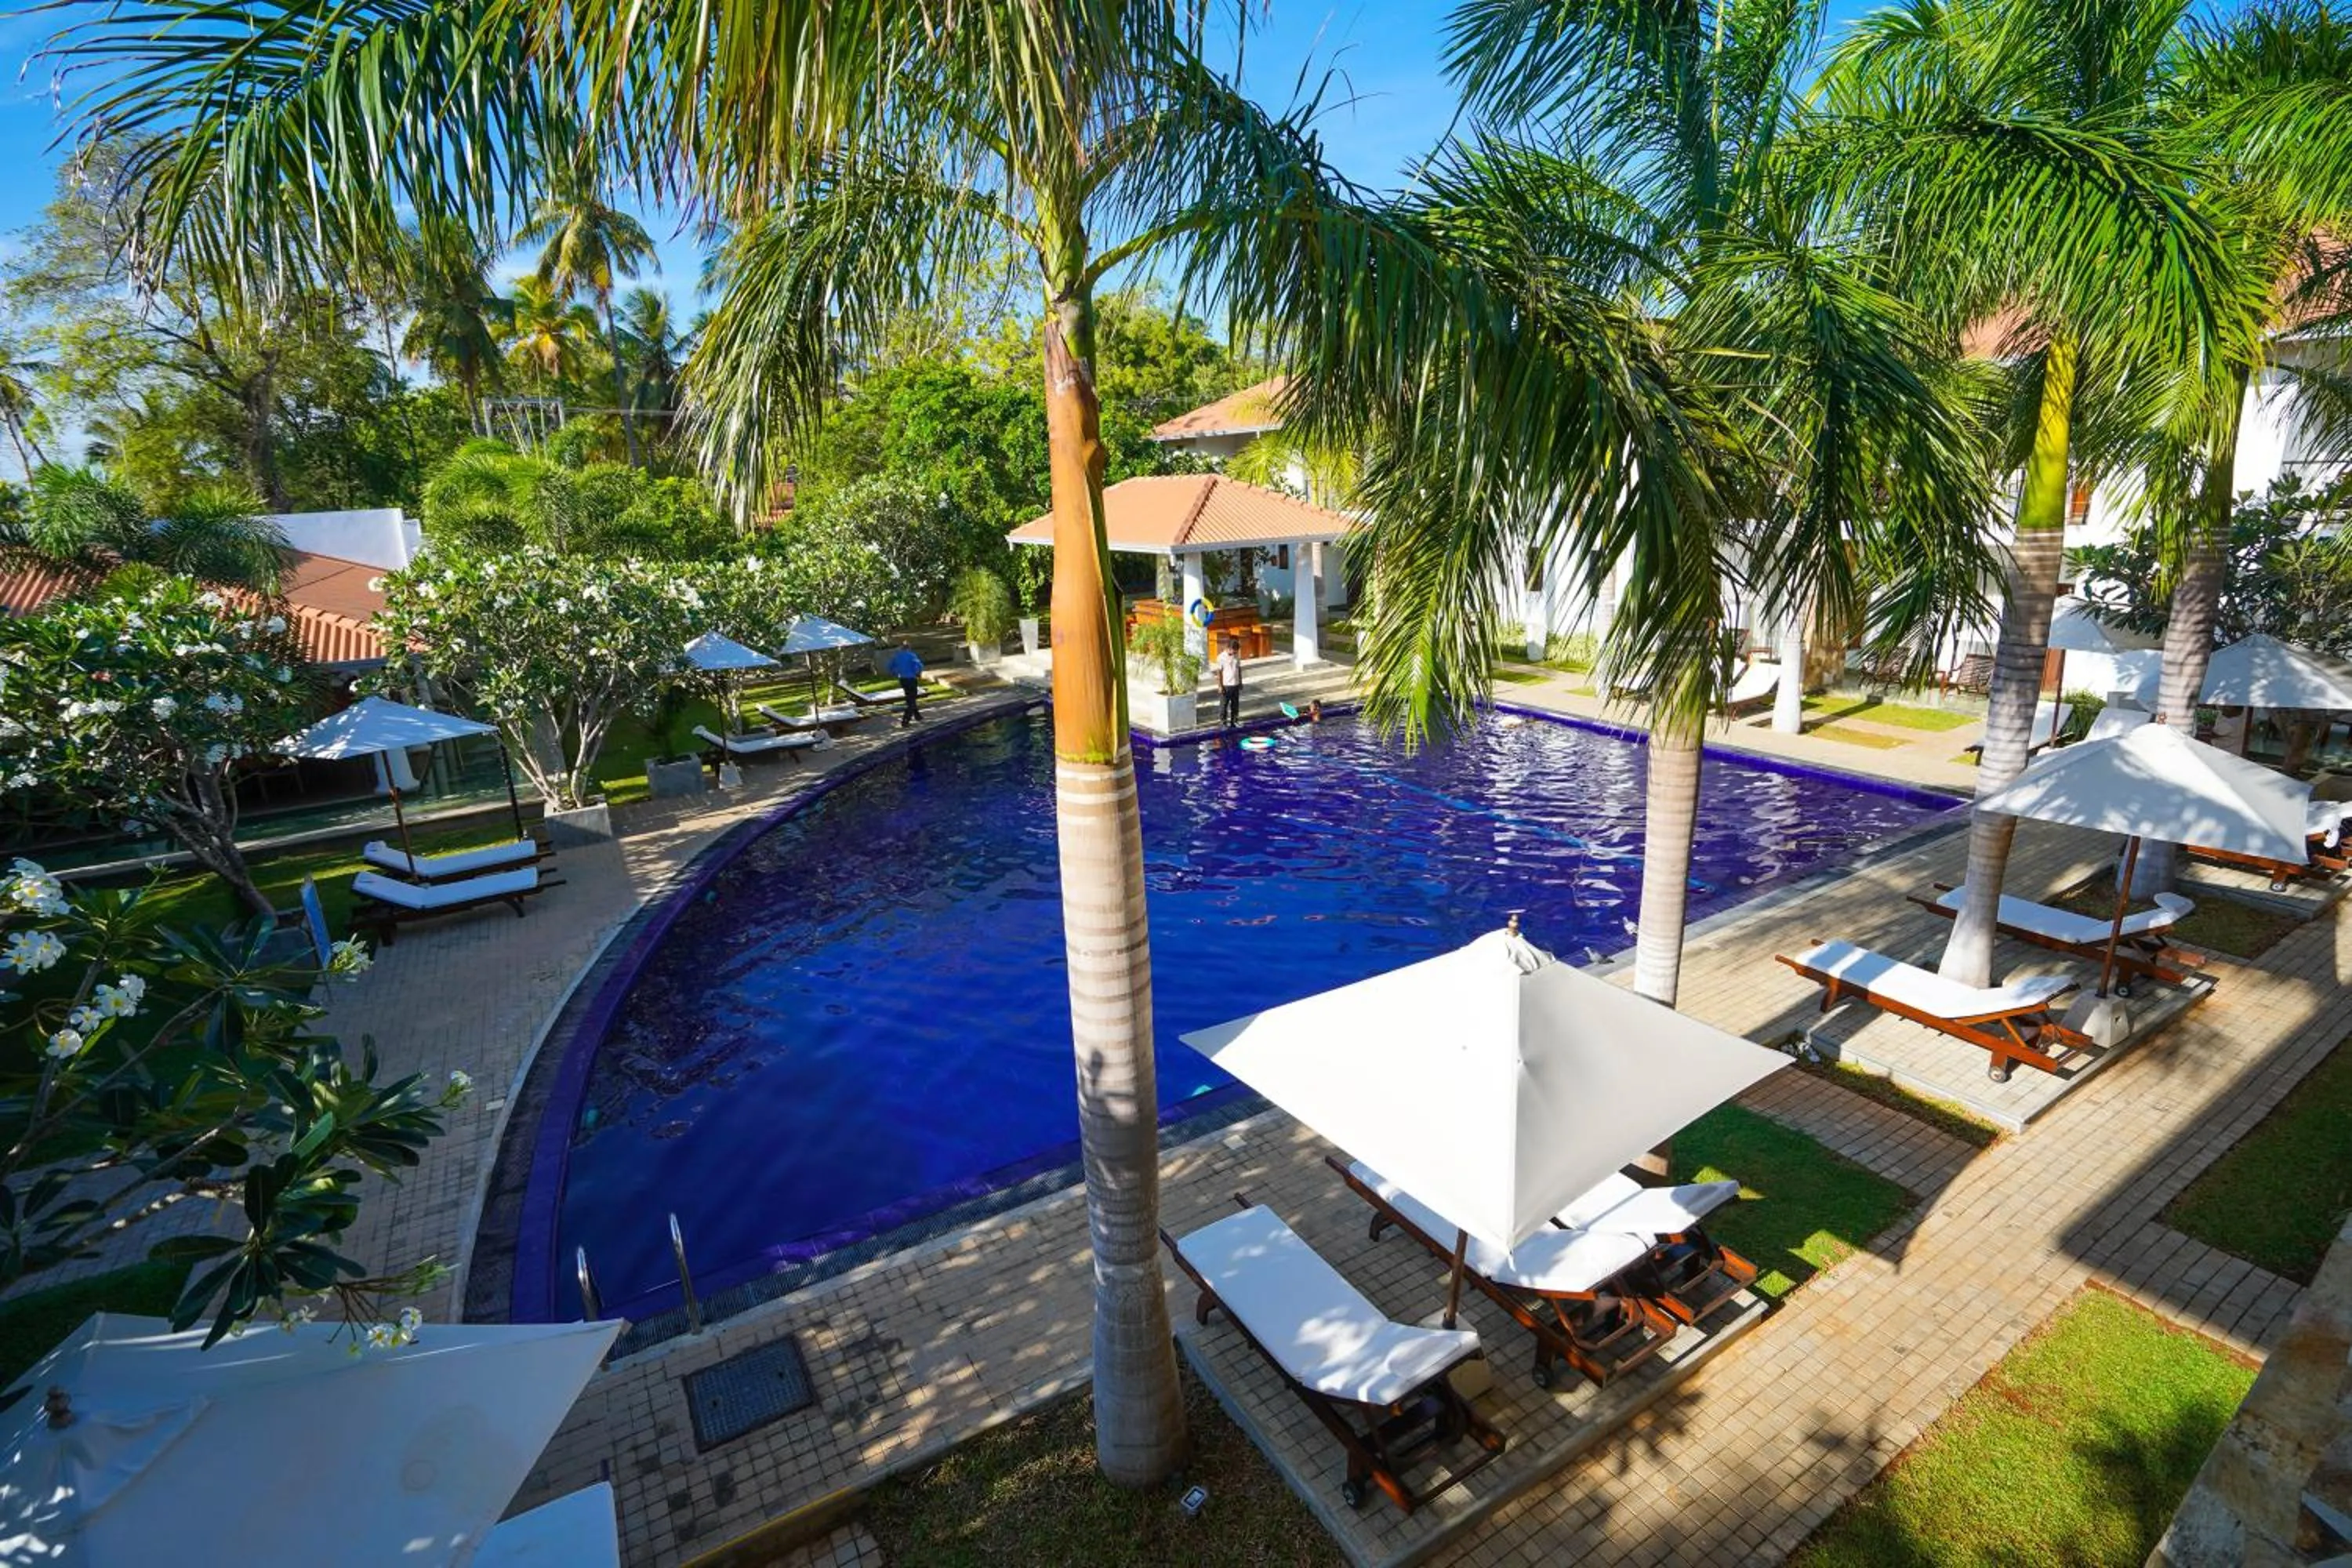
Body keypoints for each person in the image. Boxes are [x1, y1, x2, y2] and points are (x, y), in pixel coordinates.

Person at [887, 641, 925, 728]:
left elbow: (889, 666)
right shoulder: (912, 655)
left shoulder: (896, 656)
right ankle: (905, 720)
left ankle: (917, 716)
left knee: (909, 697)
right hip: (911, 679)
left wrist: (895, 672)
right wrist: (918, 673)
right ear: (909, 648)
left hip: (902, 679)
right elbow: (919, 665)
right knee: (912, 699)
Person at [1216, 635, 1243, 727]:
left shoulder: (1237, 656)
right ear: (1229, 648)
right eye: (1234, 650)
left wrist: (1240, 682)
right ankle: (1223, 722)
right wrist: (1220, 686)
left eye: (1236, 651)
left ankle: (1234, 721)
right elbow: (1219, 672)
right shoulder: (1221, 657)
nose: (1235, 652)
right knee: (1224, 705)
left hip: (1235, 684)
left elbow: (1239, 669)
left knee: (1235, 705)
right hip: (1226, 685)